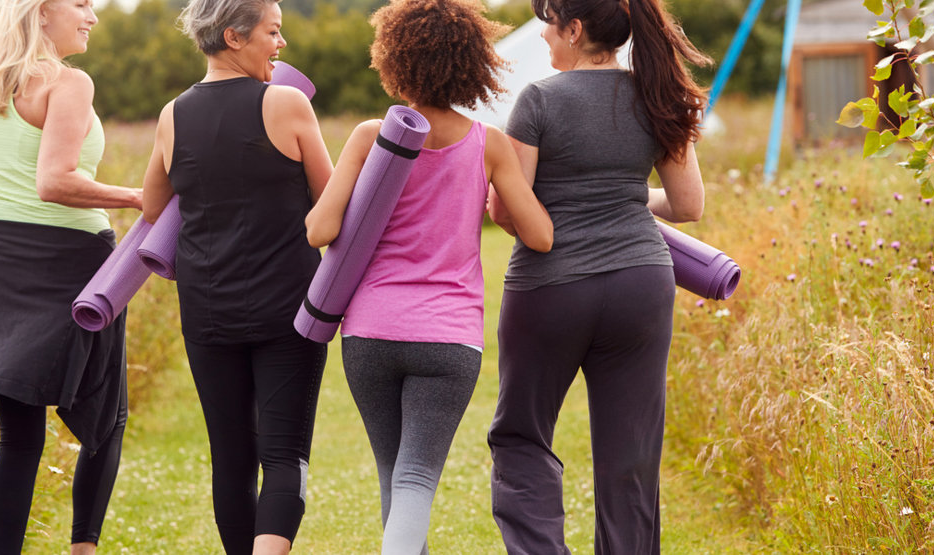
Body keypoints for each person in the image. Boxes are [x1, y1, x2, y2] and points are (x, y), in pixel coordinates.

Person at [303, 0, 553, 552]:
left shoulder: (371, 137)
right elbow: (539, 236)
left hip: (370, 332)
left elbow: (319, 230)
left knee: (393, 473)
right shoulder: (489, 143)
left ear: (394, 59)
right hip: (448, 337)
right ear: (472, 64)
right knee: (415, 478)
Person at [484, 0, 709, 552]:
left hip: (551, 288)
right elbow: (688, 205)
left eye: (549, 24)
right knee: (630, 456)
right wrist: (622, 194)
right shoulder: (657, 96)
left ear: (575, 29)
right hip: (641, 284)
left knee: (521, 436)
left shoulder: (538, 99)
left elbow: (508, 209)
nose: (543, 36)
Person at [0, 0, 141, 553]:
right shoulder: (70, 83)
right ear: (42, 11)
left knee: (19, 436)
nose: (93, 15)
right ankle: (83, 548)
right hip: (70, 258)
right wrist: (140, 197)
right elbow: (53, 182)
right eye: (81, 3)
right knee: (106, 415)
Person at [139, 0, 333, 552]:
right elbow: (331, 205)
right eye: (273, 31)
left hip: (207, 312)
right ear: (233, 36)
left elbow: (153, 207)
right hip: (289, 312)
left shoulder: (172, 114)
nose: (282, 44)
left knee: (230, 460)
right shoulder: (287, 103)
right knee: (284, 455)